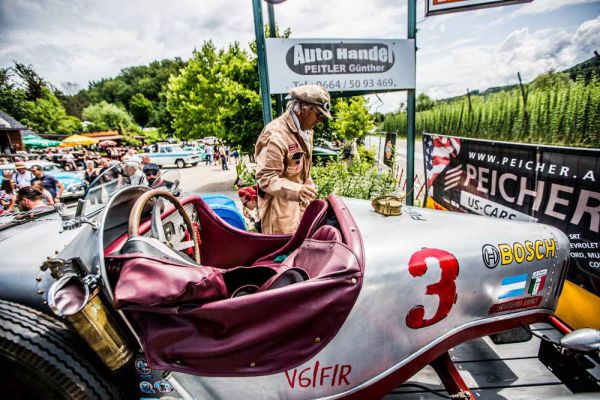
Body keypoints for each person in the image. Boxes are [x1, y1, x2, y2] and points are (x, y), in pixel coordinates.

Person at [255, 84, 331, 234]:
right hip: (279, 214)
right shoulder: (275, 135)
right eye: (319, 114)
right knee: (282, 254)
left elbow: (303, 171)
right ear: (304, 109)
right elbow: (266, 177)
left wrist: (310, 191)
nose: (320, 120)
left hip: (299, 207)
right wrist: (298, 190)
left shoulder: (306, 131)